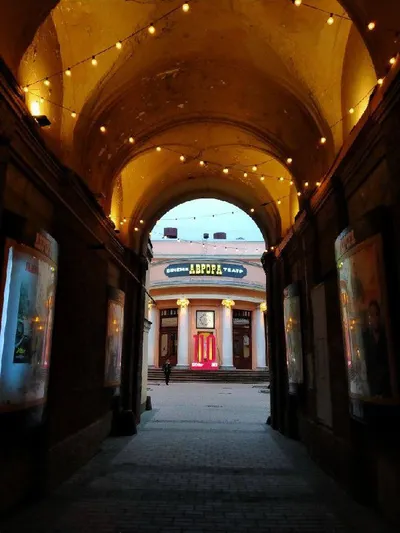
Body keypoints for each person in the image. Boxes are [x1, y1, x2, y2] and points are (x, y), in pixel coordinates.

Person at [362, 300, 391, 398]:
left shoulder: (386, 336)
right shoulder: (366, 338)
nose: (374, 318)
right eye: (371, 315)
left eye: (376, 314)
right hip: (373, 388)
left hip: (386, 387)